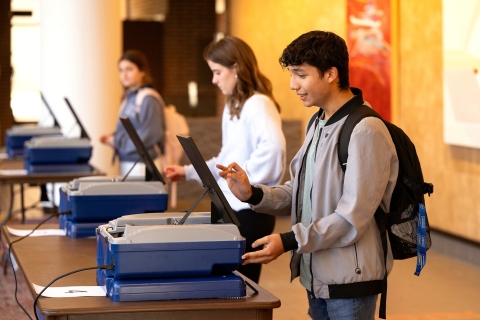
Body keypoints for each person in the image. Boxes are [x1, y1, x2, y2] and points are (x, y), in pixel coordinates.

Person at [216, 31, 399, 320]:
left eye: (301, 75)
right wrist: (253, 193)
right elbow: (299, 192)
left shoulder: (365, 130)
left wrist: (289, 241)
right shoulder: (317, 122)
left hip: (350, 283)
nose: (292, 85)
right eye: (292, 75)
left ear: (331, 74)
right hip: (317, 276)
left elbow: (351, 218)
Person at [164, 36, 286, 284]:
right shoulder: (234, 106)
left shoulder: (258, 104)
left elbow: (273, 150)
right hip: (232, 208)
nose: (214, 80)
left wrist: (242, 182)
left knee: (240, 289)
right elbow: (226, 160)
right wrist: (187, 172)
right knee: (228, 288)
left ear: (237, 68)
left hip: (249, 212)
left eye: (218, 72)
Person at [100, 50, 166, 176]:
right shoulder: (128, 97)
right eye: (121, 70)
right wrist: (113, 138)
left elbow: (149, 135)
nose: (124, 74)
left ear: (142, 71)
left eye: (129, 69)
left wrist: (117, 141)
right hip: (128, 163)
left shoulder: (149, 98)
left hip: (143, 165)